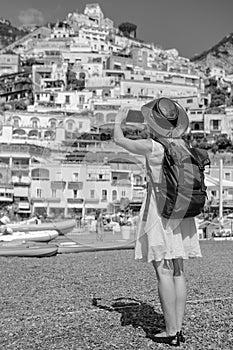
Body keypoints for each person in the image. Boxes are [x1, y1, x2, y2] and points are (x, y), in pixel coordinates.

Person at [114, 98, 202, 346]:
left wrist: (119, 120)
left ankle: (171, 331)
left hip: (160, 210)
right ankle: (178, 329)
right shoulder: (184, 145)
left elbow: (119, 140)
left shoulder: (153, 147)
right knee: (178, 270)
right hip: (182, 211)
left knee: (162, 269)